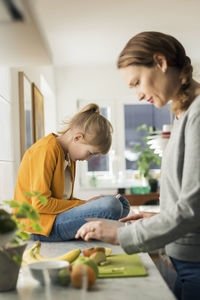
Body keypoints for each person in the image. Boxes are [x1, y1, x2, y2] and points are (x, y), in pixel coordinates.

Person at [75, 32, 200, 300]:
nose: (138, 95)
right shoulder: (183, 115)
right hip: (186, 262)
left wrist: (123, 236)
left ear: (160, 62)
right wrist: (159, 218)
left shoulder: (198, 115)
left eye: (137, 82)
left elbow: (191, 210)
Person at [14, 103, 130, 242]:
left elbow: (63, 201)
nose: (88, 159)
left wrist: (86, 203)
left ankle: (99, 227)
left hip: (54, 219)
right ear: (77, 138)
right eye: (90, 153)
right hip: (39, 227)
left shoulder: (68, 157)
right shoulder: (46, 150)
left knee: (122, 203)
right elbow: (40, 204)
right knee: (112, 205)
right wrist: (84, 204)